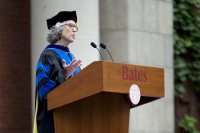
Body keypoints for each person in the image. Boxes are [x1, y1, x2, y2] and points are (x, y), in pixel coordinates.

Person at [33, 11, 82, 133]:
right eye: (71, 25)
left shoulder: (71, 57)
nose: (74, 30)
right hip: (53, 122)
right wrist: (64, 77)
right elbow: (45, 92)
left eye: (76, 27)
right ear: (58, 29)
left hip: (73, 119)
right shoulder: (48, 55)